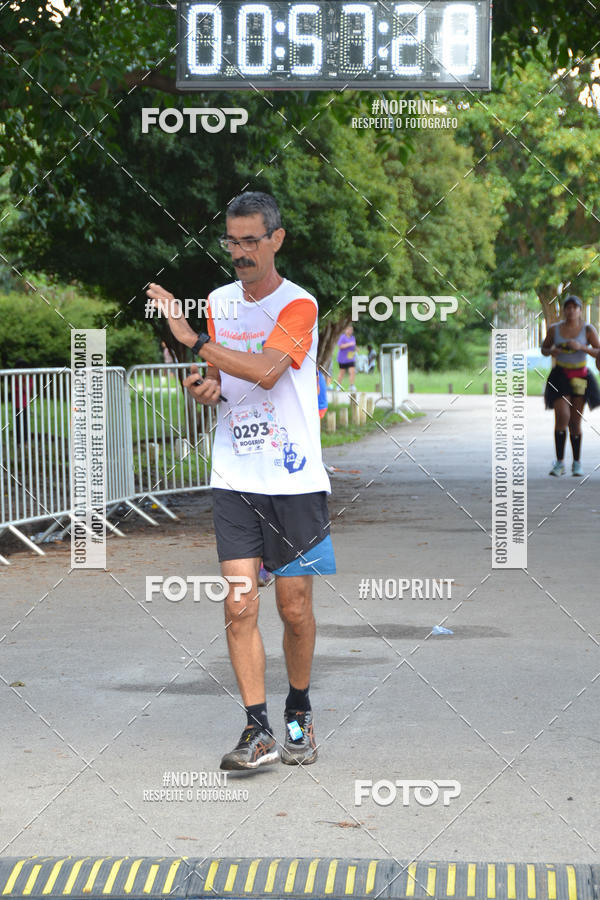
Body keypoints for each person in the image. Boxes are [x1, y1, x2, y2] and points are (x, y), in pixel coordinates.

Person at [146, 191, 336, 771]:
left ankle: (298, 714)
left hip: (294, 478)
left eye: (252, 240)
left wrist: (191, 339)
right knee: (238, 602)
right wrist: (204, 387)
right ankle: (257, 729)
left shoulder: (299, 305)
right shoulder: (219, 303)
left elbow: (268, 371)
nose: (240, 252)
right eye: (232, 241)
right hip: (234, 473)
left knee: (294, 608)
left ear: (276, 239)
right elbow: (224, 381)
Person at [541, 294, 600, 476]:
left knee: (575, 421)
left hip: (580, 376)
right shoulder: (554, 330)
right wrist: (552, 351)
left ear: (580, 311)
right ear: (564, 310)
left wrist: (581, 347)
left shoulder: (588, 329)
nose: (571, 311)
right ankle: (559, 463)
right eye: (568, 307)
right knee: (562, 416)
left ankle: (576, 462)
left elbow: (598, 351)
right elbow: (544, 349)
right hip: (560, 375)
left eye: (575, 308)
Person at [336, 324, 357, 391]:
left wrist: (356, 348)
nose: (350, 331)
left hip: (350, 357)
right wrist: (349, 344)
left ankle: (352, 385)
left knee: (352, 372)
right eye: (348, 329)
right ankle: (338, 386)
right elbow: (340, 346)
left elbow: (354, 346)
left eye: (351, 330)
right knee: (342, 372)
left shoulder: (352, 338)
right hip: (342, 358)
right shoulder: (342, 337)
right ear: (345, 330)